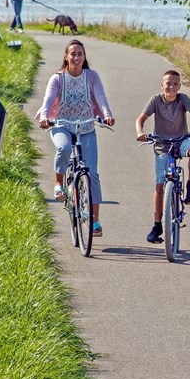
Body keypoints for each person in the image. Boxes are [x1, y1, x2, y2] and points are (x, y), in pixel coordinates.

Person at [36, 39, 115, 237]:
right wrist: (45, 117)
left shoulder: (91, 76)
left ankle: (95, 221)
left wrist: (107, 114)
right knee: (63, 148)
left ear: (84, 57)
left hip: (86, 127)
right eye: (73, 54)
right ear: (66, 56)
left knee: (93, 175)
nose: (77, 57)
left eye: (80, 54)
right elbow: (47, 100)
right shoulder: (58, 78)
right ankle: (59, 183)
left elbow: (101, 97)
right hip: (62, 124)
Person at [135, 70, 190, 244]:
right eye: (168, 83)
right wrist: (140, 132)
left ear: (179, 86)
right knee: (160, 184)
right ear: (162, 85)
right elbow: (141, 118)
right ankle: (157, 225)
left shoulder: (183, 99)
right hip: (161, 145)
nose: (171, 87)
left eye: (175, 84)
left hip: (181, 141)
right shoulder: (155, 100)